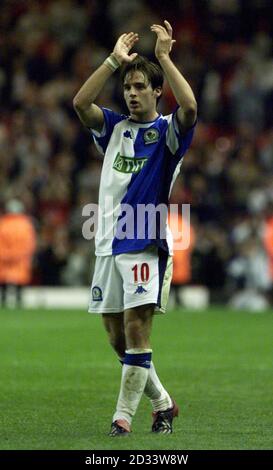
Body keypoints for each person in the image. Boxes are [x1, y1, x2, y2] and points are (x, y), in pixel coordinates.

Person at [73, 20, 197, 436]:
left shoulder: (166, 133)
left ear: (156, 91)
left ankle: (121, 420)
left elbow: (192, 109)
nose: (131, 92)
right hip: (107, 242)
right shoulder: (113, 128)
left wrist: (163, 57)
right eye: (128, 86)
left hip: (144, 238)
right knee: (116, 338)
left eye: (140, 86)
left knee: (136, 329)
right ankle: (163, 403)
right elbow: (80, 102)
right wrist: (113, 61)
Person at [0, 199, 37, 308]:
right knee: (20, 280)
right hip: (21, 259)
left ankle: (3, 301)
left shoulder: (2, 224)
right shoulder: (26, 225)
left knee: (4, 281)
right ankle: (19, 301)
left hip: (4, 259)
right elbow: (30, 243)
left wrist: (5, 255)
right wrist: (21, 255)